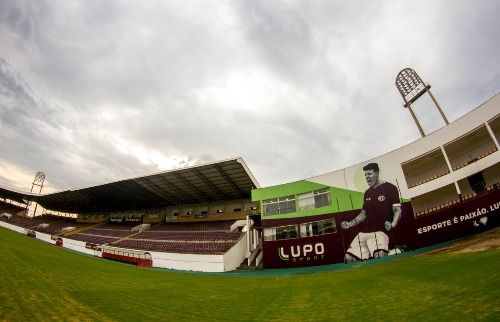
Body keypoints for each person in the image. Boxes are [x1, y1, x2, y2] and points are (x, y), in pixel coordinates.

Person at [341, 163, 402, 261]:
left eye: (369, 174)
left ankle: (393, 251)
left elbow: (398, 211)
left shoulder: (391, 188)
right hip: (364, 233)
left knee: (379, 256)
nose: (367, 177)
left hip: (380, 232)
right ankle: (383, 251)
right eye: (365, 175)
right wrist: (349, 224)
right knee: (347, 259)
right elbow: (363, 214)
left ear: (377, 173)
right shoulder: (367, 193)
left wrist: (393, 224)